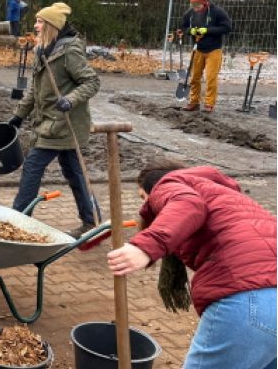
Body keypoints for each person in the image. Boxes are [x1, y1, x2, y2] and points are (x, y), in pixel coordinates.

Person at [108, 158, 276, 368]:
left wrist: (145, 246)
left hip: (252, 298)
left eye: (144, 198)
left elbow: (189, 205)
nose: (146, 206)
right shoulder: (222, 194)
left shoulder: (169, 184)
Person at [6, 2, 100, 238]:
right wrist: (18, 115)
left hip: (64, 124)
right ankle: (92, 221)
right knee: (75, 172)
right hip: (49, 121)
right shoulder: (42, 50)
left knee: (33, 166)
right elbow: (34, 88)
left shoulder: (69, 52)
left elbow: (92, 82)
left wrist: (70, 99)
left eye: (40, 22)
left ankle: (18, 220)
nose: (35, 26)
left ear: (51, 26)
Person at [178, 0, 232, 113]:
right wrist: (190, 31)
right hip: (197, 48)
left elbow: (227, 28)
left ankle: (209, 104)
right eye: (193, 6)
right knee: (194, 77)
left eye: (197, 6)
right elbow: (183, 27)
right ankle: (194, 102)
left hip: (214, 49)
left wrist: (207, 30)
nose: (195, 9)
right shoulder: (190, 13)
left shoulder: (217, 12)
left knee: (211, 78)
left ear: (204, 3)